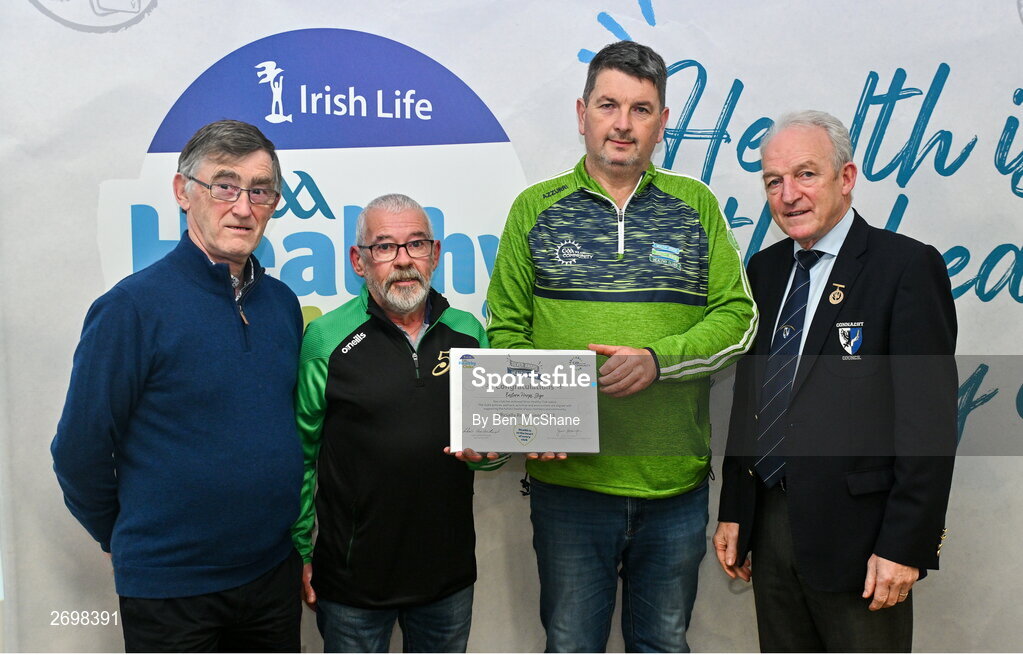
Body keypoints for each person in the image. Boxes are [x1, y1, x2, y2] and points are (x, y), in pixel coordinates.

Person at [486, 41, 757, 652]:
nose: (623, 124)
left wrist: (660, 361)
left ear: (662, 123)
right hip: (570, 490)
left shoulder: (696, 206)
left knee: (663, 643)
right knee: (570, 644)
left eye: (641, 109)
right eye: (609, 105)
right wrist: (531, 420)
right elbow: (506, 331)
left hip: (673, 489)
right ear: (582, 113)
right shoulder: (534, 209)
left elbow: (738, 318)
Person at [51, 119, 304, 652]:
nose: (243, 207)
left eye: (260, 191)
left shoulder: (281, 305)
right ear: (183, 192)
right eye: (225, 186)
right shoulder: (131, 308)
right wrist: (125, 536)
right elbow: (79, 450)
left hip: (271, 575)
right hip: (172, 590)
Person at [713, 110, 958, 652]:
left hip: (863, 543)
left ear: (846, 178)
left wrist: (905, 545)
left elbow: (930, 426)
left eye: (805, 174)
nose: (788, 195)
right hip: (770, 525)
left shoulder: (906, 267)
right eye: (773, 181)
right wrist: (735, 508)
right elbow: (751, 401)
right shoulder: (764, 271)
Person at [292, 193, 504, 653]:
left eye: (416, 244)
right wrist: (300, 550)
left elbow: (488, 448)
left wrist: (491, 454)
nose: (403, 260)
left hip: (447, 578)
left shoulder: (470, 332)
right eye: (385, 246)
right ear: (359, 260)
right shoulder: (325, 339)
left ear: (435, 254)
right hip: (352, 583)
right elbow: (301, 456)